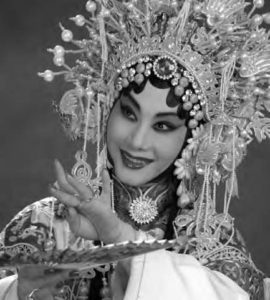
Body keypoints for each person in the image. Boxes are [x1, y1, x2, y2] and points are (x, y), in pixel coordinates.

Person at [0, 0, 270, 299]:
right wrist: (20, 293)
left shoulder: (213, 247)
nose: (137, 141)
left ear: (196, 138)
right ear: (105, 111)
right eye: (129, 113)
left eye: (163, 126)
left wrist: (117, 236)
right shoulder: (42, 228)